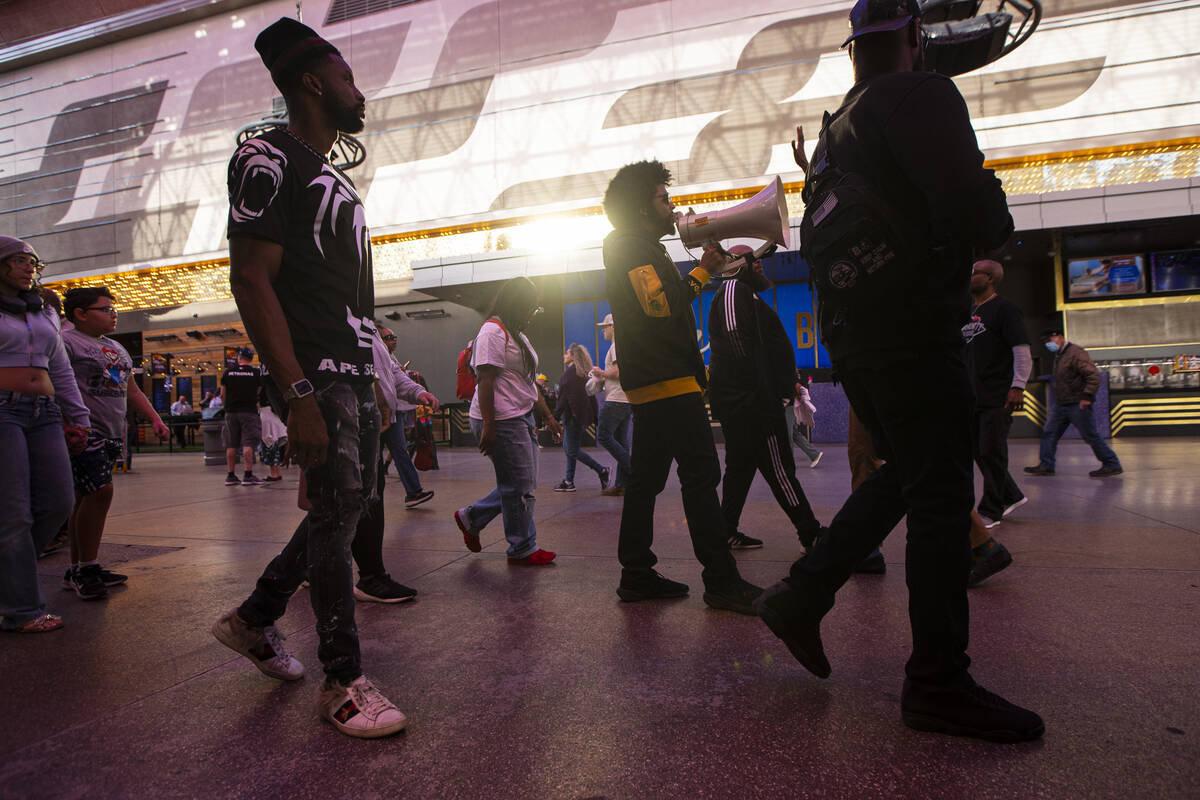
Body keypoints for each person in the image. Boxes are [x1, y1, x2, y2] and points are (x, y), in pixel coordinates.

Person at [755, 0, 1043, 742]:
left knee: (907, 472)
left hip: (857, 340)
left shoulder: (834, 132)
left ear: (854, 49)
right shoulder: (922, 94)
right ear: (916, 38)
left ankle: (802, 594)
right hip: (916, 330)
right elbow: (975, 211)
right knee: (944, 496)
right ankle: (938, 682)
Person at [211, 17, 406, 738]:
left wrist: (376, 373)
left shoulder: (332, 173)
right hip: (314, 372)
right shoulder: (267, 159)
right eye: (349, 78)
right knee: (338, 511)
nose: (362, 93)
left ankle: (254, 620)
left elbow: (349, 294)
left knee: (342, 511)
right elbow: (251, 281)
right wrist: (296, 393)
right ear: (314, 82)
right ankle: (342, 681)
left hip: (350, 369)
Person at [601, 159, 762, 615]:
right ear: (639, 207)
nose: (672, 207)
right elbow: (658, 307)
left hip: (658, 382)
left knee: (646, 482)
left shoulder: (636, 245)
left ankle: (636, 574)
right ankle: (721, 581)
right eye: (663, 198)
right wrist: (703, 271)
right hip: (668, 382)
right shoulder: (631, 246)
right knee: (700, 479)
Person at [0, 237, 90, 632]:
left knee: (58, 502)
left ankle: (9, 581)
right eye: (18, 261)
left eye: (32, 261)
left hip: (44, 412)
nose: (28, 268)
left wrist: (78, 415)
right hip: (2, 412)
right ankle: (21, 609)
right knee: (13, 513)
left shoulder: (43, 312)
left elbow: (61, 368)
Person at [708, 244, 823, 552]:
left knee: (740, 469)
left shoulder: (744, 292)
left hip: (747, 401)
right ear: (734, 265)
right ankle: (810, 533)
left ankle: (726, 531)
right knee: (780, 468)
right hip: (754, 405)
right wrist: (762, 391)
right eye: (751, 260)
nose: (758, 265)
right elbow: (737, 340)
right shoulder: (733, 287)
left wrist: (787, 382)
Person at [60, 287, 170, 599]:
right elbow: (56, 383)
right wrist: (67, 423)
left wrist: (155, 419)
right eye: (105, 309)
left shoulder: (116, 348)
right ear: (80, 314)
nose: (113, 314)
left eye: (113, 309)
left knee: (85, 497)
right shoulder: (66, 342)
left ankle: (79, 567)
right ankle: (87, 568)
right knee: (101, 492)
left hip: (111, 431)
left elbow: (131, 389)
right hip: (85, 430)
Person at [454, 277, 562, 565]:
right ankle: (522, 547)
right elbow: (485, 379)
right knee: (519, 486)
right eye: (531, 307)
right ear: (516, 304)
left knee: (520, 483)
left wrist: (548, 415)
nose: (533, 313)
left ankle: (471, 517)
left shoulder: (517, 335)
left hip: (519, 416)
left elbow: (527, 383)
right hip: (500, 420)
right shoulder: (492, 331)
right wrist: (489, 426)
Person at [964, 259, 1032, 525]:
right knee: (978, 451)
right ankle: (1011, 495)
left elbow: (1021, 350)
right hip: (972, 396)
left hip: (997, 393)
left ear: (990, 278)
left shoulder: (1005, 310)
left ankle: (991, 509)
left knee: (992, 451)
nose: (969, 277)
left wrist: (1018, 386)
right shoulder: (968, 311)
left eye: (975, 273)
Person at [1025, 327, 1122, 477]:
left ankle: (1112, 464)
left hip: (1077, 403)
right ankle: (1046, 465)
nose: (1047, 344)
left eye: (1049, 340)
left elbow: (1093, 376)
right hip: (1061, 404)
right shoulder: (1060, 355)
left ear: (1060, 337)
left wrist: (1087, 396)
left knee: (1090, 435)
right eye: (1045, 342)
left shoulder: (1076, 353)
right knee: (1049, 433)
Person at [377, 325, 434, 507]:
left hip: (392, 413)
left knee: (400, 451)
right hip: (373, 415)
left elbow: (396, 376)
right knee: (372, 457)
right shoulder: (370, 348)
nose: (394, 339)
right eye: (389, 337)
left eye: (394, 336)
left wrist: (418, 392)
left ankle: (413, 491)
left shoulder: (388, 357)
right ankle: (370, 497)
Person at [553, 343, 610, 492]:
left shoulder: (569, 375)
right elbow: (591, 398)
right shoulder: (583, 374)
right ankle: (569, 480)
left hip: (572, 417)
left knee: (571, 450)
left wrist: (553, 418)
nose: (564, 356)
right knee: (570, 448)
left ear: (572, 356)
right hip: (580, 416)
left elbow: (563, 399)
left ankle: (602, 470)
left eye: (566, 353)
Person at [590, 314, 633, 497]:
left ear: (614, 327)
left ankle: (633, 471)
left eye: (605, 327)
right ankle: (622, 485)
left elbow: (618, 371)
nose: (603, 330)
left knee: (604, 435)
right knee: (622, 442)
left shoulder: (616, 347)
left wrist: (601, 373)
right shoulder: (624, 346)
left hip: (616, 399)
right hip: (626, 400)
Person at [220, 348, 264, 485]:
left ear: (239, 357)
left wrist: (226, 407)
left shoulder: (227, 373)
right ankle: (248, 474)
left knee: (231, 444)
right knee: (248, 443)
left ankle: (231, 475)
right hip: (249, 411)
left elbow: (222, 394)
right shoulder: (256, 373)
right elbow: (259, 392)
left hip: (231, 412)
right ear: (250, 359)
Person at [790, 376, 823, 468]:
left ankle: (787, 462)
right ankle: (814, 455)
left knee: (789, 433)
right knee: (794, 433)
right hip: (787, 403)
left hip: (786, 404)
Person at [257, 390, 287, 481]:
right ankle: (277, 472)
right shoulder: (274, 388)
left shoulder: (263, 386)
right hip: (275, 413)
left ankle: (274, 473)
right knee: (274, 444)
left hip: (266, 413)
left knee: (269, 443)